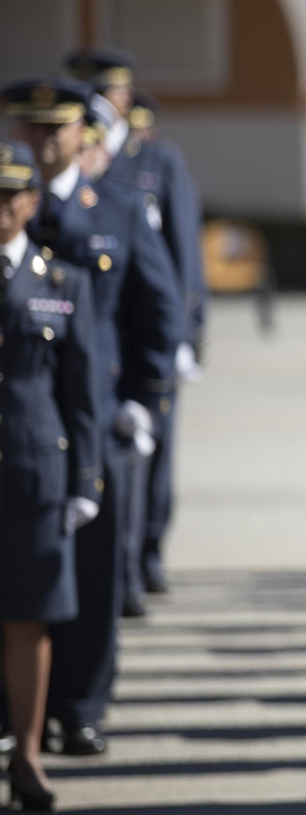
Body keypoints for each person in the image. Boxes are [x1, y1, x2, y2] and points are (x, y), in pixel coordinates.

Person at [5, 77, 182, 759]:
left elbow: (158, 308)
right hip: (19, 424)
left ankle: (80, 706)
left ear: (82, 134)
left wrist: (143, 399)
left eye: (56, 128)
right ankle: (14, 716)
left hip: (94, 419)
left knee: (91, 569)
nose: (44, 140)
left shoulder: (117, 208)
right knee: (17, 578)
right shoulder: (8, 204)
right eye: (31, 127)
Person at [63, 50, 205, 606]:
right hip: (97, 337)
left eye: (109, 91)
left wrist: (189, 332)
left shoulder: (155, 159)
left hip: (142, 334)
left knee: (152, 453)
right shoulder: (72, 159)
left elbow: (182, 252)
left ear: (125, 96)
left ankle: (146, 550)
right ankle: (115, 569)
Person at [0, 139, 102, 811]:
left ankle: (28, 755)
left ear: (32, 202)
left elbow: (83, 396)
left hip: (33, 473)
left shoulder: (63, 284)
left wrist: (86, 482)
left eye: (9, 195)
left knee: (27, 620)